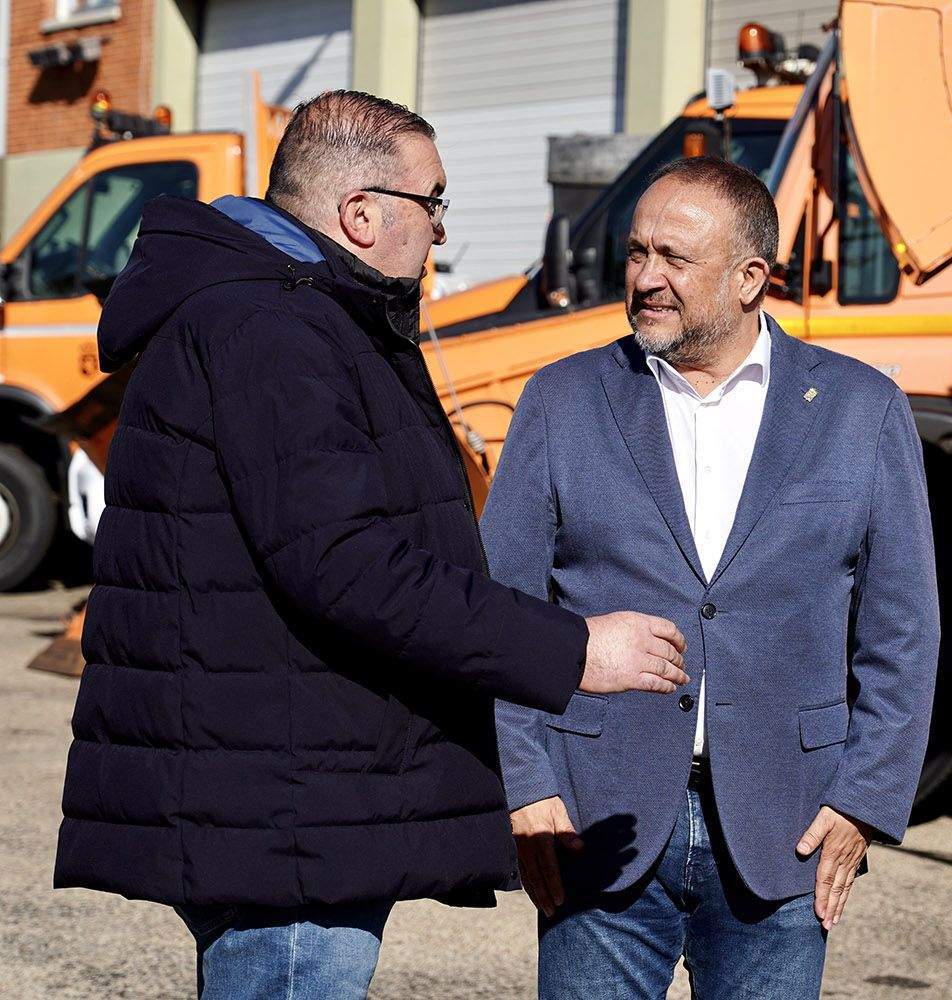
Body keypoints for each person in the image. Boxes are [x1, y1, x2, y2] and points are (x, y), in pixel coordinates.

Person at [54, 90, 687, 1000]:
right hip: (289, 817)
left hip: (280, 794)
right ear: (361, 214)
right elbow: (347, 566)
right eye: (432, 204)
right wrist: (577, 648)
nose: (439, 233)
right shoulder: (273, 327)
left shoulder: (289, 312)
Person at [480, 156, 941, 999]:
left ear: (750, 278)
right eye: (636, 253)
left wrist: (867, 800)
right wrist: (527, 781)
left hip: (786, 829)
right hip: (598, 824)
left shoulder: (861, 408)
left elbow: (903, 631)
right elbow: (500, 610)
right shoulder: (563, 399)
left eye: (674, 259)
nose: (646, 278)